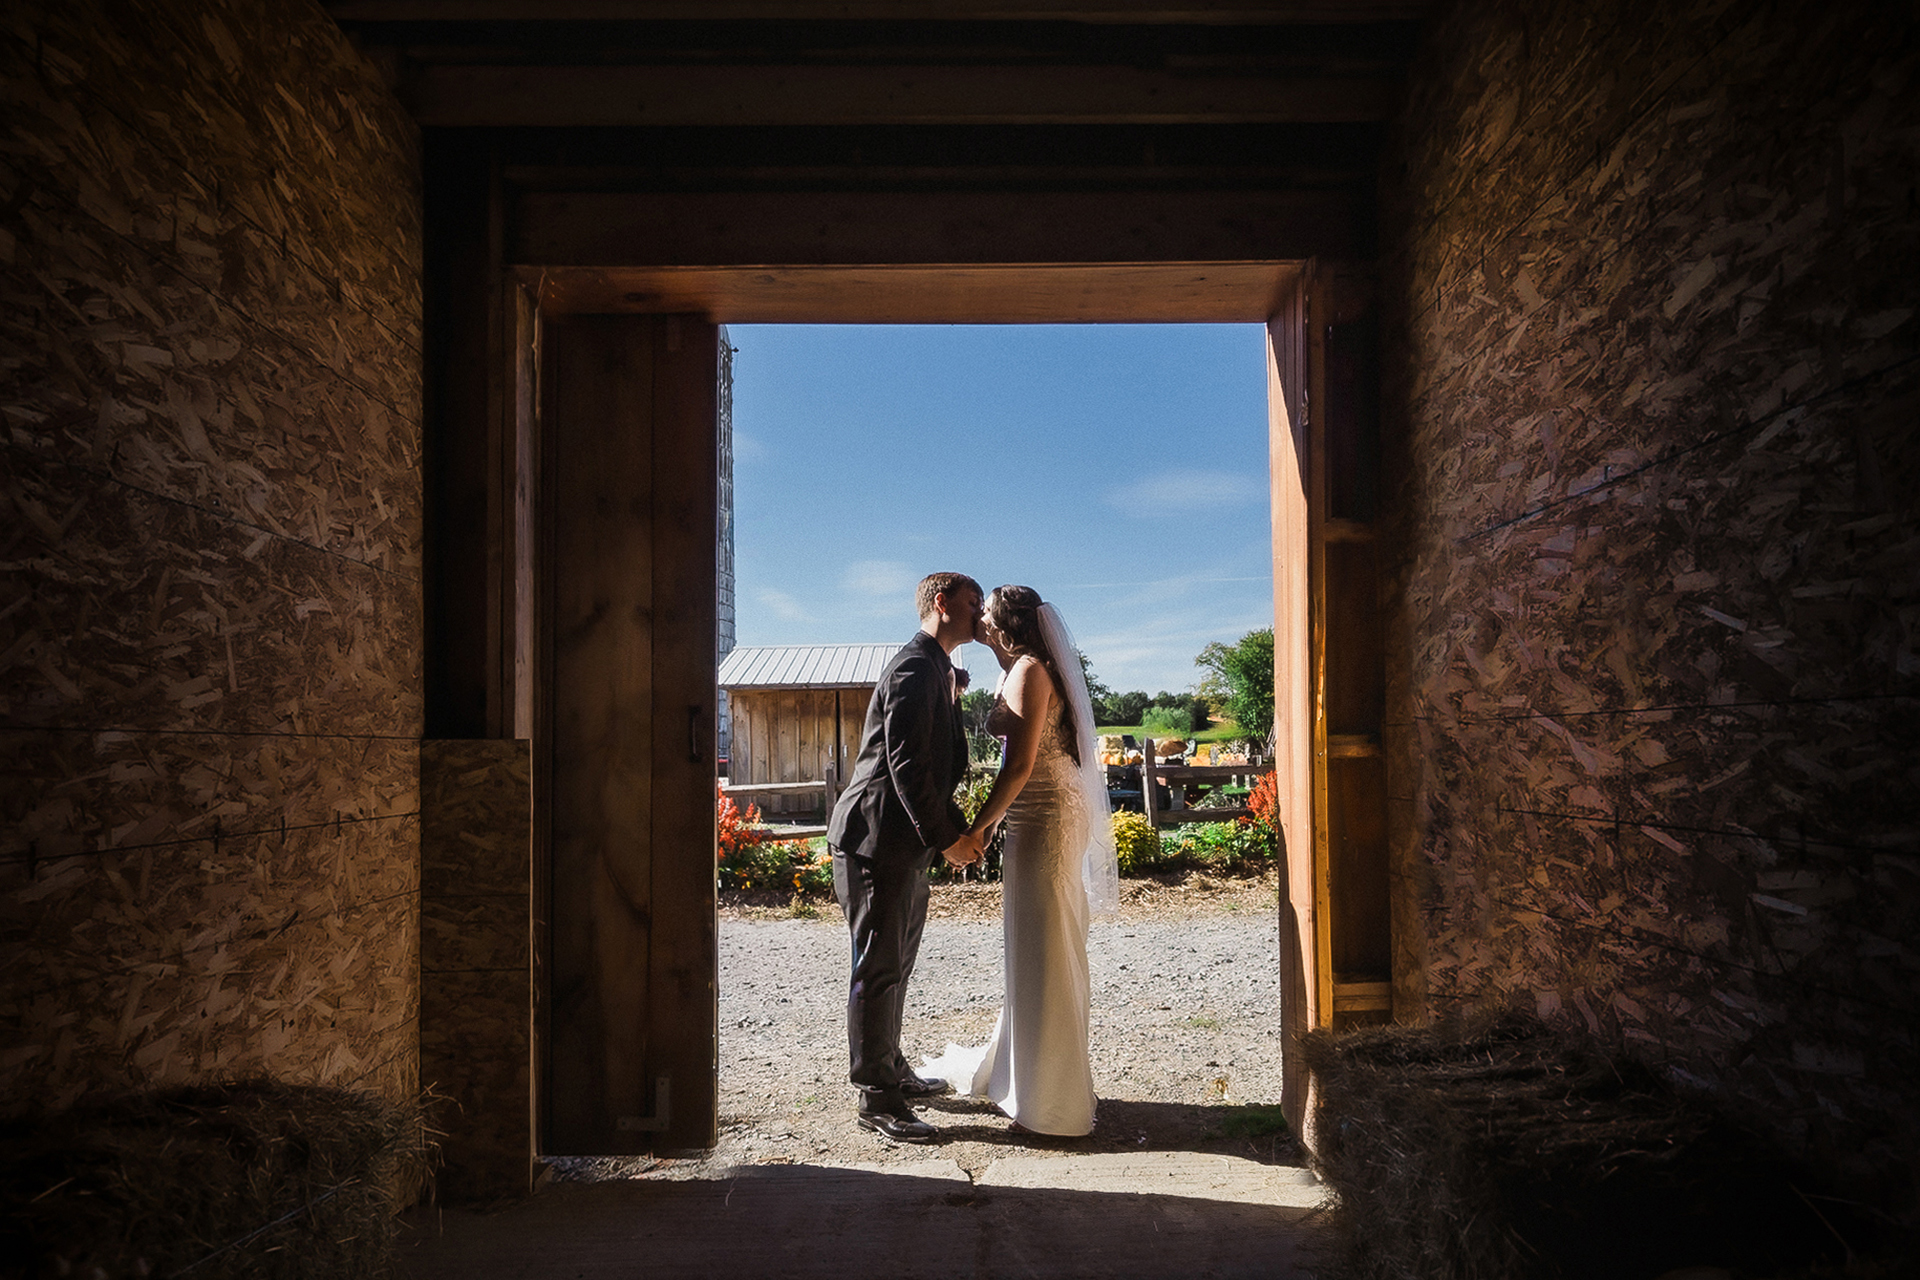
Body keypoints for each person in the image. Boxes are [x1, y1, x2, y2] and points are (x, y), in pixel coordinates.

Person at [921, 584, 1118, 1136]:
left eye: (985, 612)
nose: (978, 618)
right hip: (1031, 817)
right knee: (1033, 942)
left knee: (1047, 941)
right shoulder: (1017, 668)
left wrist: (977, 827)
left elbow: (1019, 766)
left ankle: (1055, 1102)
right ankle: (1026, 1074)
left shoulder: (1031, 670)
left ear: (1006, 624)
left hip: (1047, 817)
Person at [827, 572, 984, 1143]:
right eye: (974, 603)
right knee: (878, 968)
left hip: (903, 842)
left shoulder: (936, 671)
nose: (982, 614)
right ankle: (878, 1100)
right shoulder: (914, 668)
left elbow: (944, 763)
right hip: (875, 839)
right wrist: (948, 839)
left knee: (899, 963)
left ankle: (891, 1067)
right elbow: (908, 767)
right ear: (941, 604)